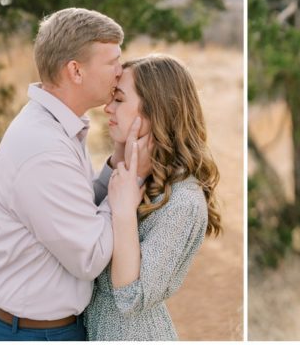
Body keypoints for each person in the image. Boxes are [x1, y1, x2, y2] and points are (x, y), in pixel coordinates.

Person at [0, 7, 128, 341]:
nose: (121, 70)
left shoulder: (55, 126)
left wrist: (117, 165)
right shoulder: (44, 148)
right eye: (113, 61)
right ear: (75, 70)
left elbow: (79, 203)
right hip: (32, 334)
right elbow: (88, 257)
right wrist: (123, 196)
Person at [85, 54, 221, 341]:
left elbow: (131, 297)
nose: (107, 108)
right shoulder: (139, 178)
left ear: (156, 110)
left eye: (119, 100)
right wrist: (121, 160)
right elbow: (87, 220)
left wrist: (123, 213)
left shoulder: (184, 202)